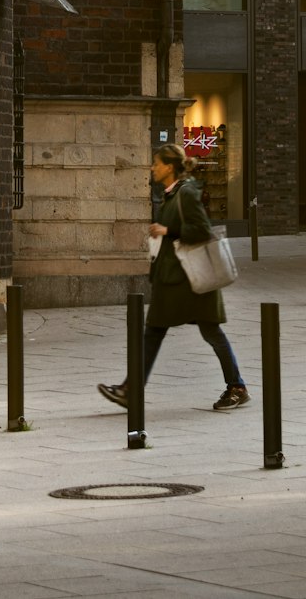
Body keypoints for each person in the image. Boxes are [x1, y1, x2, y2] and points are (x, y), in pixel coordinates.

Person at [98, 143, 249, 412]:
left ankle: (236, 387)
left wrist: (167, 229)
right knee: (156, 332)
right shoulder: (172, 193)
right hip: (175, 279)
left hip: (190, 280)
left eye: (156, 163)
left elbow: (201, 230)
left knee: (207, 331)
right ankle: (131, 388)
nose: (152, 168)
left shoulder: (187, 192)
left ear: (169, 167)